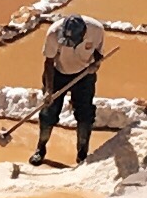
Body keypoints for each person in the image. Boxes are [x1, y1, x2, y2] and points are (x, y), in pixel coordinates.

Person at [33, 12, 103, 166]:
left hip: (84, 74)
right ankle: (40, 148)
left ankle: (82, 155)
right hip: (57, 73)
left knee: (85, 116)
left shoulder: (96, 30)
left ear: (83, 34)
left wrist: (96, 65)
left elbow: (98, 53)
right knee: (48, 113)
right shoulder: (53, 33)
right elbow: (49, 62)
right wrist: (49, 90)